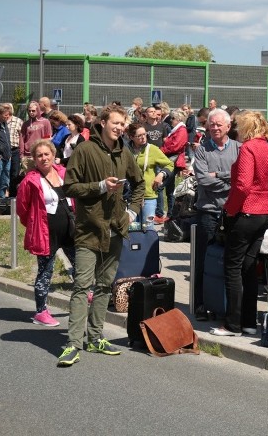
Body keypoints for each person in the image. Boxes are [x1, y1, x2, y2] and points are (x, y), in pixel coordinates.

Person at [59, 105, 143, 366]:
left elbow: (139, 183)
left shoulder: (123, 152)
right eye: (116, 123)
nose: (120, 128)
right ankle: (73, 343)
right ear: (103, 122)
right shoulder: (84, 149)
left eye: (123, 125)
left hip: (116, 229)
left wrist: (132, 212)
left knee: (105, 286)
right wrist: (98, 186)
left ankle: (95, 337)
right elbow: (69, 187)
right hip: (89, 230)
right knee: (82, 287)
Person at [210, 110, 268, 337]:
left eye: (239, 127)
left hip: (245, 213)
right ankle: (249, 322)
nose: (237, 131)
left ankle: (232, 324)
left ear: (247, 129)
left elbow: (241, 185)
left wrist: (230, 210)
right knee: (249, 268)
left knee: (232, 268)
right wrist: (265, 203)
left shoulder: (248, 149)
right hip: (264, 213)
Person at [16, 139, 76, 327]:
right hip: (46, 232)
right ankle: (41, 312)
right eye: (39, 155)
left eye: (46, 154)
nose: (43, 158)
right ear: (34, 158)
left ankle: (85, 297)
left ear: (53, 155)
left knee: (81, 265)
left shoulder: (64, 173)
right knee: (45, 272)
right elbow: (22, 209)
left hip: (69, 229)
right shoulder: (31, 180)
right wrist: (34, 225)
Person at [192, 108, 240, 321]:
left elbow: (242, 180)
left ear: (228, 127)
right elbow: (203, 181)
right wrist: (229, 181)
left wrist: (218, 175)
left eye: (219, 124)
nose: (215, 128)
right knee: (204, 259)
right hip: (208, 213)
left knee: (232, 262)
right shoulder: (202, 150)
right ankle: (201, 304)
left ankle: (228, 306)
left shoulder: (239, 149)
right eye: (212, 124)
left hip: (232, 212)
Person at [126, 123, 173, 223]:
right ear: (131, 137)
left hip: (148, 196)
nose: (143, 137)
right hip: (130, 196)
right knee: (131, 229)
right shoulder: (125, 150)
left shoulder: (152, 149)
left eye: (144, 134)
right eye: (139, 136)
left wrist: (161, 175)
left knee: (147, 228)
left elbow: (169, 165)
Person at [158, 109, 189, 222]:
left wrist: (162, 150)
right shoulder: (177, 130)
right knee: (169, 189)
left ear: (179, 119)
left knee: (160, 186)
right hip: (171, 159)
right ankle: (170, 214)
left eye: (173, 118)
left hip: (173, 161)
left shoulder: (181, 130)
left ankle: (161, 213)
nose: (171, 120)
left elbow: (175, 146)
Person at [20, 101, 53, 169]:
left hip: (40, 154)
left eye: (33, 111)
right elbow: (22, 139)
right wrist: (21, 155)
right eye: (29, 111)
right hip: (28, 155)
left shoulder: (45, 122)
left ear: (37, 110)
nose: (31, 113)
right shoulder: (26, 124)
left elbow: (48, 138)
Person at [4, 103, 23, 191]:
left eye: (8, 108)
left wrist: (21, 151)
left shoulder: (18, 121)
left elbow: (22, 137)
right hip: (3, 151)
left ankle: (13, 193)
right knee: (3, 172)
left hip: (14, 150)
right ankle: (3, 193)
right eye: (4, 108)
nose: (6, 110)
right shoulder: (0, 121)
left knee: (14, 172)